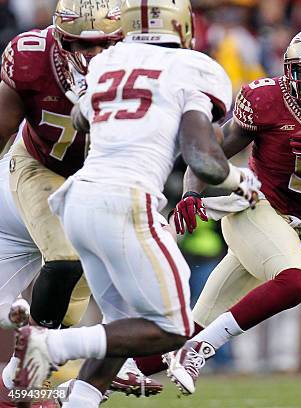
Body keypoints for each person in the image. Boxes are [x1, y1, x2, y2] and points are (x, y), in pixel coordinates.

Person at [11, 1, 259, 407]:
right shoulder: (195, 67)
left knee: (123, 323)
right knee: (174, 327)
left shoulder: (110, 62)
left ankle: (79, 399)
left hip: (77, 200)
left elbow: (80, 119)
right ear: (182, 27)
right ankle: (50, 346)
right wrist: (237, 179)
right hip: (126, 201)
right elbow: (201, 157)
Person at [164, 26, 301, 395]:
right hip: (253, 208)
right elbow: (210, 151)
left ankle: (96, 382)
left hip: (294, 225)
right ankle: (199, 351)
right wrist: (189, 193)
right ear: (288, 69)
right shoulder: (266, 99)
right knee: (299, 280)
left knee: (190, 325)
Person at [0, 0, 161, 398]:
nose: (96, 57)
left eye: (107, 46)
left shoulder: (147, 71)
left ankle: (61, 371)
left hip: (100, 180)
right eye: (85, 47)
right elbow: (1, 126)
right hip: (40, 165)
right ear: (61, 42)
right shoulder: (30, 58)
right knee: (65, 257)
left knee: (95, 294)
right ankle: (30, 363)